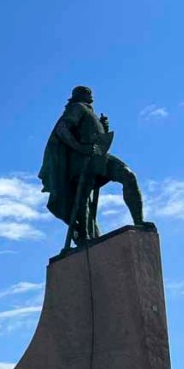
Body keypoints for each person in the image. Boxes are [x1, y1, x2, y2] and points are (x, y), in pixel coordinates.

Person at [39, 85, 149, 248]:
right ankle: (84, 235)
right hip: (82, 160)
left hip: (98, 156)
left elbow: (90, 134)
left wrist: (103, 127)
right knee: (82, 199)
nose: (90, 94)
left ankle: (139, 222)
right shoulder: (77, 107)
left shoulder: (89, 112)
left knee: (128, 175)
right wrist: (80, 147)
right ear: (78, 96)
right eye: (85, 92)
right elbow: (62, 130)